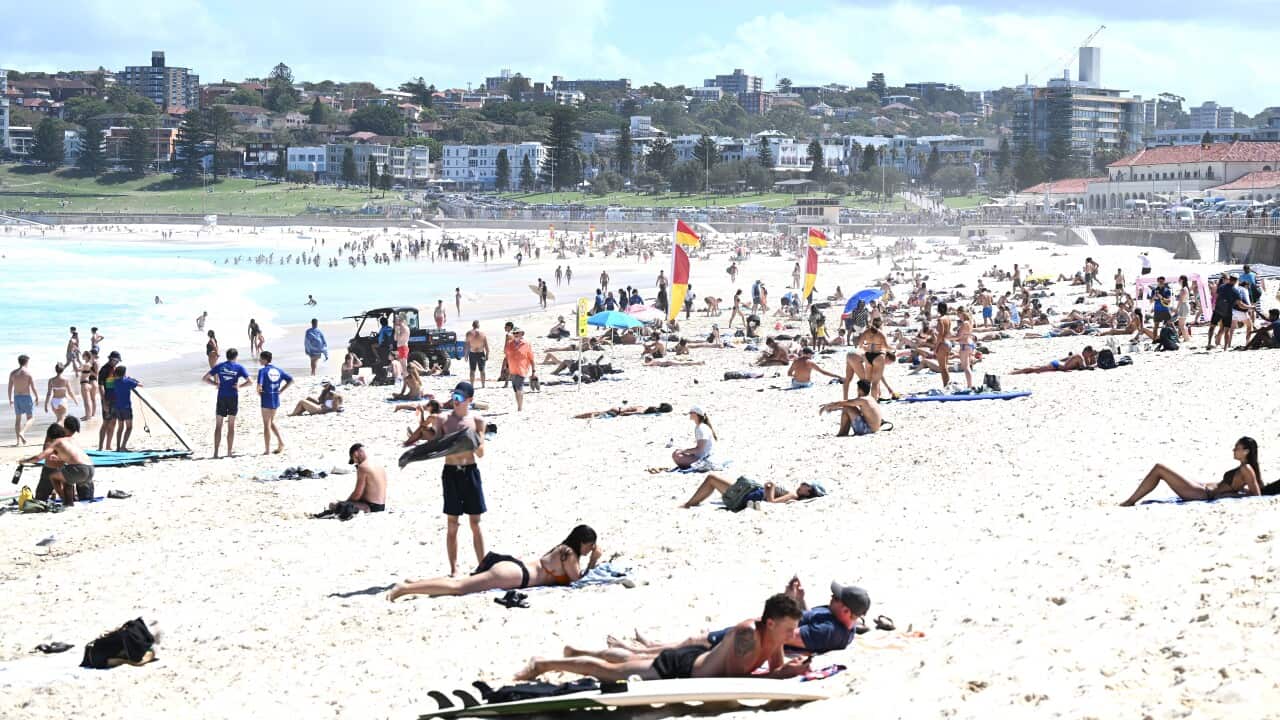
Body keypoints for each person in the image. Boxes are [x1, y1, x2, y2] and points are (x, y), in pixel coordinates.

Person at [516, 593, 809, 682]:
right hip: (682, 667)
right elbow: (734, 679)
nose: (793, 634)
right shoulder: (748, 634)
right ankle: (543, 663)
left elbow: (774, 671)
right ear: (769, 623)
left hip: (695, 660)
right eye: (788, 628)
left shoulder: (774, 638)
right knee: (610, 673)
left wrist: (791, 670)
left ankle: (578, 651)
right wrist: (782, 674)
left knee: (632, 658)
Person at [595, 578, 868, 659]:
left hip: (756, 640)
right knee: (694, 641)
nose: (831, 597)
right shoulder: (833, 617)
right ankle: (652, 646)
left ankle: (637, 652)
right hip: (759, 630)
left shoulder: (831, 631)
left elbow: (788, 635)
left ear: (846, 611)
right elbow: (802, 619)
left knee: (695, 642)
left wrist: (785, 605)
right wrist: (797, 599)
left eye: (836, 598)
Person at [388, 525, 599, 601]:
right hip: (515, 575)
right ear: (582, 543)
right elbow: (577, 580)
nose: (590, 549)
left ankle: (415, 582)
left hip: (515, 568)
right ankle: (406, 588)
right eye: (590, 546)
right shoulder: (569, 554)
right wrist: (594, 560)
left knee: (462, 582)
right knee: (459, 588)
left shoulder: (562, 549)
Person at [420, 381, 488, 576]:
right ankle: (453, 568)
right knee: (452, 524)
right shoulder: (443, 420)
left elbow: (481, 453)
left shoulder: (477, 421)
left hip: (470, 471)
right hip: (451, 473)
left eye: (459, 398)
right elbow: (434, 446)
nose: (455, 401)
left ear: (469, 400)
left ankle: (482, 566)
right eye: (453, 397)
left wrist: (470, 438)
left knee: (475, 523)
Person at [1120, 437, 1262, 506]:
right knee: (1167, 470)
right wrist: (1237, 492)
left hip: (1202, 494)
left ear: (1246, 451)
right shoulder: (1246, 468)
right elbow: (1251, 489)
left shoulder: (1246, 469)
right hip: (1204, 488)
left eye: (1236, 448)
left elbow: (1256, 496)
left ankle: (1130, 501)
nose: (1233, 450)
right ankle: (1131, 500)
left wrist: (1229, 495)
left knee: (1159, 468)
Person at [21, 422, 94, 507]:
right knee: (69, 478)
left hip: (76, 469)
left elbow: (38, 458)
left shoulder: (55, 442)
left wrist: (23, 461)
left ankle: (67, 501)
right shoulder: (71, 440)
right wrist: (59, 458)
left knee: (55, 478)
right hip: (91, 469)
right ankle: (70, 499)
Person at [203, 348, 252, 458]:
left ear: (226, 356)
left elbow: (205, 378)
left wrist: (215, 384)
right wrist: (240, 386)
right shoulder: (239, 367)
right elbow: (250, 381)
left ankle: (215, 452)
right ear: (236, 356)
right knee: (231, 425)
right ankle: (229, 452)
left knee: (218, 425)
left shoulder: (220, 366)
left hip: (221, 397)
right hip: (233, 397)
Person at [680, 473, 827, 508]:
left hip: (746, 494)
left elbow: (771, 501)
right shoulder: (793, 497)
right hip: (748, 494)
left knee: (711, 479)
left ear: (808, 492)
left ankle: (688, 504)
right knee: (713, 480)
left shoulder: (793, 495)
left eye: (806, 484)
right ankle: (690, 503)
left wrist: (770, 486)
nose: (802, 483)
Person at [329, 443, 387, 514]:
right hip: (381, 506)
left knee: (333, 504)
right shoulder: (378, 464)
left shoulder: (363, 467)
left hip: (370, 507)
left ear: (356, 454)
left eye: (353, 460)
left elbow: (357, 494)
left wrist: (345, 503)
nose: (355, 462)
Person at [256, 351, 293, 455]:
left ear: (265, 360)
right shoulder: (279, 370)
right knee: (270, 422)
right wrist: (281, 390)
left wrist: (259, 393)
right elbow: (290, 380)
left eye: (260, 359)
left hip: (266, 398)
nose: (259, 360)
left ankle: (267, 450)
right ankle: (281, 442)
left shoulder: (262, 371)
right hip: (275, 398)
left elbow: (259, 386)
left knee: (266, 424)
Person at [9, 355, 39, 445]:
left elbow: (9, 388)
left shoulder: (13, 373)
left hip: (16, 397)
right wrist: (37, 397)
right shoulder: (28, 373)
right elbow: (33, 387)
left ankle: (18, 442)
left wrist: (10, 399)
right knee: (31, 418)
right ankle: (22, 432)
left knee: (18, 419)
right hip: (26, 397)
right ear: (26, 362)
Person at [110, 366, 141, 452]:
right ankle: (123, 446)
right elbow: (141, 385)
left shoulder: (114, 382)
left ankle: (118, 447)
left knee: (120, 428)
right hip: (126, 407)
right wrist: (133, 379)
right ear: (124, 373)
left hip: (117, 407)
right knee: (129, 427)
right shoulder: (128, 381)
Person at [504, 327, 535, 412]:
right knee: (515, 389)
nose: (515, 335)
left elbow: (531, 358)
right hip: (512, 369)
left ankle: (520, 408)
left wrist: (533, 371)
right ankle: (518, 406)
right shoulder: (509, 344)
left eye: (517, 333)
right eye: (514, 333)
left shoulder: (526, 344)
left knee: (519, 387)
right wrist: (506, 367)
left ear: (522, 334)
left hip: (522, 369)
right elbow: (507, 356)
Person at [1010, 347, 1098, 374]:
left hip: (1058, 365)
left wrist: (1093, 358)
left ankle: (1017, 369)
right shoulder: (1079, 357)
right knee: (1035, 369)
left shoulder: (1080, 356)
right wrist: (1093, 365)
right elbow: (1082, 368)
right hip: (1057, 365)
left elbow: (1067, 358)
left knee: (1037, 368)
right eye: (1090, 354)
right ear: (1086, 352)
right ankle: (1016, 372)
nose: (1090, 356)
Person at [97, 351, 121, 451]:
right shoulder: (104, 370)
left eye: (118, 361)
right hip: (107, 399)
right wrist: (104, 401)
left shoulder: (115, 369)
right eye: (116, 360)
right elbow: (101, 386)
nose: (117, 362)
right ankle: (100, 447)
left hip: (115, 399)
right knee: (106, 423)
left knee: (113, 423)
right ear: (111, 359)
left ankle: (108, 445)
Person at [465, 320, 490, 388]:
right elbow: (486, 345)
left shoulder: (468, 333)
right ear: (478, 325)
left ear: (472, 325)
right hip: (481, 353)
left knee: (472, 370)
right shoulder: (482, 333)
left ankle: (472, 385)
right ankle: (483, 385)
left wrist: (466, 355)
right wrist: (487, 354)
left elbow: (467, 345)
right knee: (482, 370)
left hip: (472, 353)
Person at [78, 351, 98, 421]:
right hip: (89, 382)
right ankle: (89, 415)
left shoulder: (88, 364)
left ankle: (90, 415)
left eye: (83, 355)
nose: (82, 356)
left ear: (86, 356)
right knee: (90, 400)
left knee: (89, 400)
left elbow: (96, 374)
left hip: (90, 382)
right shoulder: (88, 364)